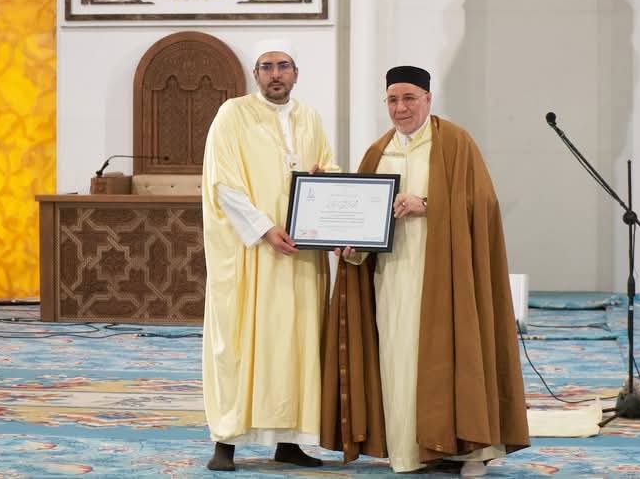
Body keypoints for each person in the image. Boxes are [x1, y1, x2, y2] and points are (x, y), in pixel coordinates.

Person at [320, 65, 529, 476]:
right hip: (391, 278)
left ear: (428, 99)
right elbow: (361, 220)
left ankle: (469, 452)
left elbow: (482, 205)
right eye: (393, 100)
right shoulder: (377, 153)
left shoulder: (454, 143)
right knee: (398, 361)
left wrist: (427, 205)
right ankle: (410, 452)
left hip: (447, 277)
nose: (401, 108)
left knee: (455, 357)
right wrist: (351, 248)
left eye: (409, 98)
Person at [200, 38, 338, 471]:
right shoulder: (232, 114)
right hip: (251, 256)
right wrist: (264, 229)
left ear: (295, 73)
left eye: (283, 66)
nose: (275, 74)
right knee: (239, 342)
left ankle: (290, 441)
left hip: (299, 255)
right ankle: (225, 441)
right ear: (255, 74)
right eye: (267, 67)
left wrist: (326, 190)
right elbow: (223, 183)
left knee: (297, 344)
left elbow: (329, 169)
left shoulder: (310, 117)